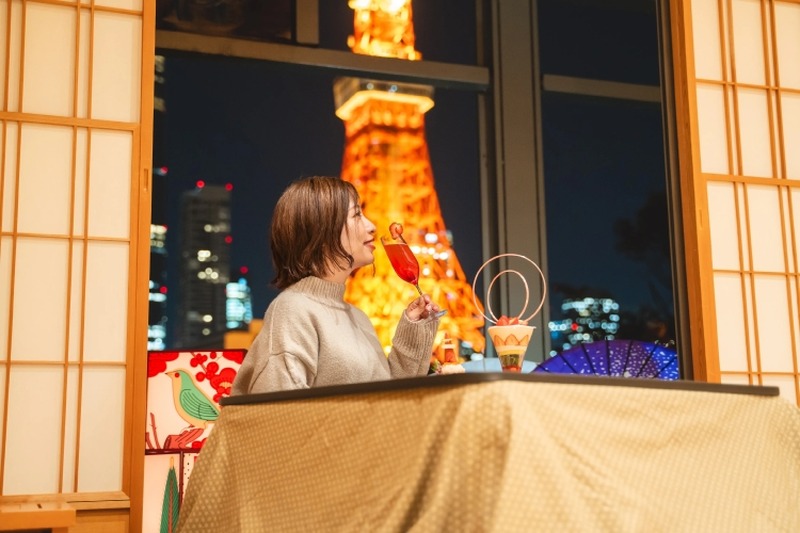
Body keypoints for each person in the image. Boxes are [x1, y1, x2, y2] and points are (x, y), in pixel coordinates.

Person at [231, 176, 441, 394]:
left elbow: (387, 398)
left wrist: (414, 330)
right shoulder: (292, 309)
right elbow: (279, 412)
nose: (372, 226)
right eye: (357, 214)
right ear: (322, 233)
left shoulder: (359, 317)